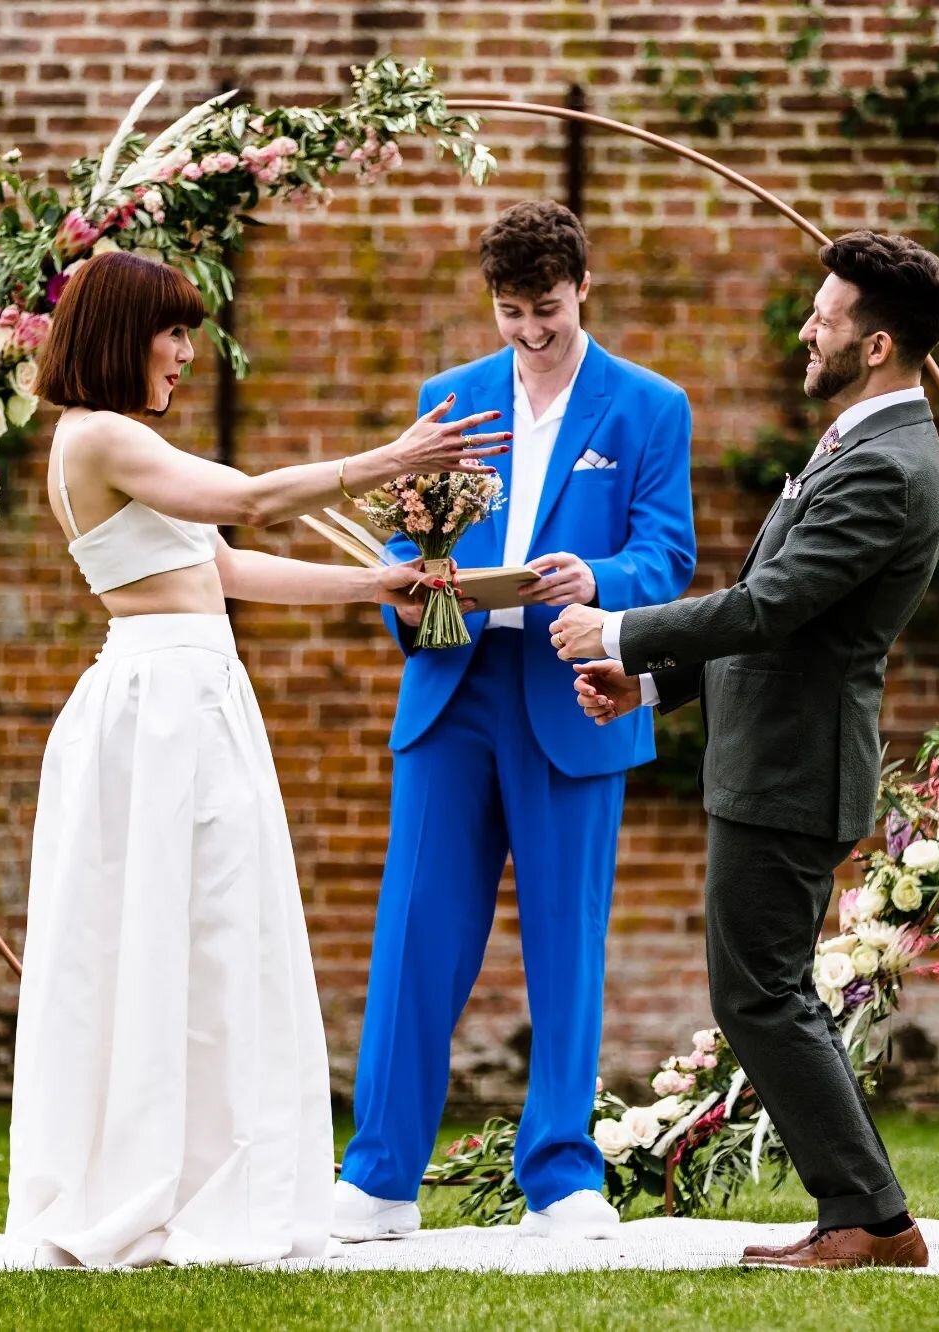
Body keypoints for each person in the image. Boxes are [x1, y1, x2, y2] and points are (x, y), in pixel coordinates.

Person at [0, 249, 509, 1275]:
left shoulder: (126, 445)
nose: (185, 353)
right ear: (123, 334)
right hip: (159, 709)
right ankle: (151, 1185)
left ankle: (212, 1181)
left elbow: (223, 568)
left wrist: (377, 586)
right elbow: (255, 502)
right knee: (158, 942)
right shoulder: (97, 438)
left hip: (197, 694)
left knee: (220, 940)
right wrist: (384, 462)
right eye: (172, 331)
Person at [553, 230, 939, 1270]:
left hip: (794, 771)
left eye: (824, 316)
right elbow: (782, 623)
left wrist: (618, 630)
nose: (805, 329)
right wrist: (652, 682)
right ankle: (868, 1213)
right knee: (765, 992)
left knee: (761, 995)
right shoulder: (861, 444)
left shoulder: (887, 465)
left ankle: (870, 1219)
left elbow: (772, 606)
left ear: (874, 345)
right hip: (774, 762)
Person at [334, 201, 696, 1242]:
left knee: (565, 944)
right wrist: (416, 582)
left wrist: (603, 576)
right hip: (451, 694)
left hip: (575, 698)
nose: (530, 331)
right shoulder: (446, 401)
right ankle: (379, 1177)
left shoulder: (648, 407)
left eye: (546, 309)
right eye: (510, 312)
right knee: (415, 936)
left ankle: (562, 1177)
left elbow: (667, 559)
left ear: (583, 284)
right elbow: (415, 548)